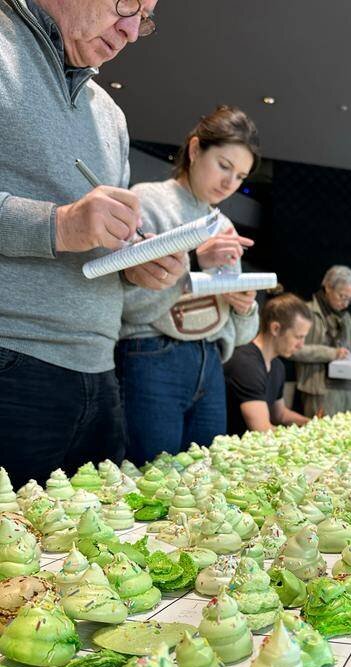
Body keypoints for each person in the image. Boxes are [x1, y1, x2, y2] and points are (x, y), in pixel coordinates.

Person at [0, 0, 186, 489]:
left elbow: (98, 246)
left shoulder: (111, 116)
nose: (129, 30)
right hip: (13, 359)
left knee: (95, 555)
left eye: (144, 17)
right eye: (126, 4)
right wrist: (59, 224)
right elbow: (69, 227)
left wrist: (135, 264)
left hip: (101, 372)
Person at [117, 106, 261, 465]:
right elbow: (127, 303)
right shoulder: (148, 200)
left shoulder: (223, 224)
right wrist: (196, 263)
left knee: (205, 486)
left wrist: (245, 306)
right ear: (195, 150)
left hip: (211, 362)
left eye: (241, 176)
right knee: (150, 481)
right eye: (224, 166)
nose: (229, 183)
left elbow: (242, 333)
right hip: (151, 355)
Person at [290, 265, 351, 417]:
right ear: (328, 287)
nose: (345, 304)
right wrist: (331, 353)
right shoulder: (306, 312)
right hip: (319, 390)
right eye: (342, 297)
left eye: (350, 299)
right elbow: (294, 350)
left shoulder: (345, 317)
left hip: (347, 388)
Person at [224, 294, 312, 435]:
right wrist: (310, 438)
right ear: (275, 328)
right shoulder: (247, 364)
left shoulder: (277, 365)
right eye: (298, 337)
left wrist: (313, 423)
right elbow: (262, 430)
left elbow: (280, 414)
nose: (301, 345)